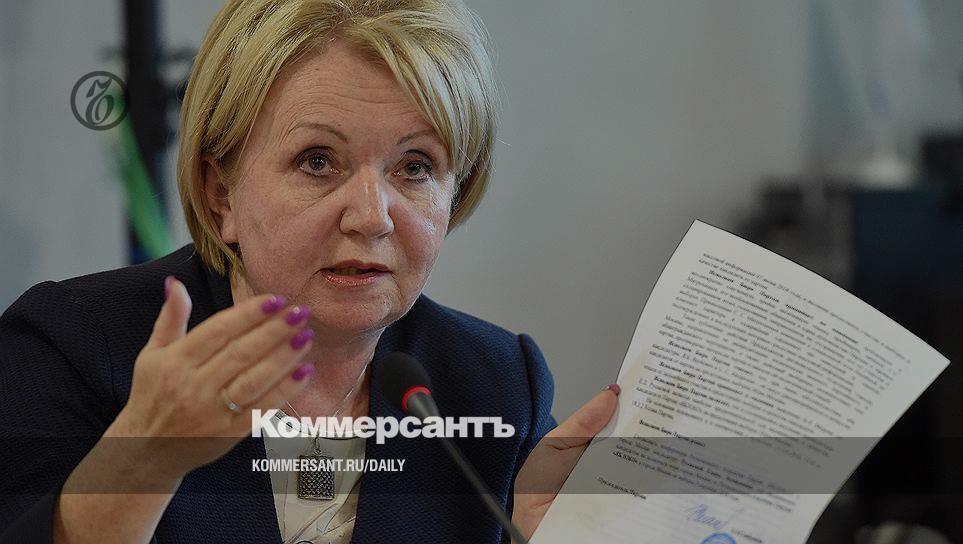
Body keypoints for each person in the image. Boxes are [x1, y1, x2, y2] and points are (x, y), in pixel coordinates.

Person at [0, 0, 618, 542]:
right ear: (221, 194)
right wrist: (145, 461)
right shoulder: (70, 348)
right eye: (318, 161)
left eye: (415, 167)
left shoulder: (496, 386)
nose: (371, 217)